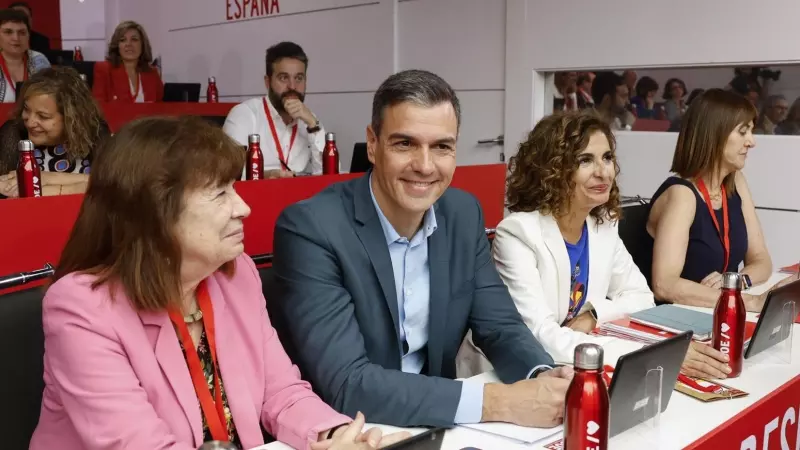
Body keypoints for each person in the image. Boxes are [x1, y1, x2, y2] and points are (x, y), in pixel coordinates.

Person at [29, 116, 406, 450]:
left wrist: (333, 437)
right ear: (156, 212)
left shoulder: (235, 274)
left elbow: (282, 393)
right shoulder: (81, 308)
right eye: (220, 193)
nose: (243, 208)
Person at [270, 69, 571, 429]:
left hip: (438, 422)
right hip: (352, 432)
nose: (425, 166)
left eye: (442, 146)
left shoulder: (461, 213)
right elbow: (347, 384)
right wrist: (500, 402)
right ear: (372, 144)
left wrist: (541, 377)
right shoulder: (311, 228)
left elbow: (500, 326)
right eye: (405, 144)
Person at [492, 110, 733, 380]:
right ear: (551, 170)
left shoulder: (602, 225)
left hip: (577, 363)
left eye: (607, 158)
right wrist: (655, 353)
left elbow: (641, 296)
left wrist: (594, 315)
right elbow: (540, 335)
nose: (603, 171)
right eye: (585, 160)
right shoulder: (518, 234)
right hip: (518, 373)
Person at [644, 89, 773, 312]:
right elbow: (664, 285)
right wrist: (748, 302)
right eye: (743, 132)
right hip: (677, 320)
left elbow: (762, 260)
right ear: (715, 135)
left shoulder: (735, 182)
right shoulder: (681, 194)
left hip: (715, 311)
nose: (751, 142)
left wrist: (736, 282)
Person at [223, 41, 328, 178]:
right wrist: (265, 176)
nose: (292, 86)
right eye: (284, 78)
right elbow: (225, 174)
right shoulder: (244, 114)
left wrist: (313, 125)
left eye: (299, 78)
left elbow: (330, 175)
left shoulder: (308, 119)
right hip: (254, 197)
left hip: (300, 198)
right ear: (268, 82)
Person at [0, 67, 109, 197]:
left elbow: (112, 186)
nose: (30, 122)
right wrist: (84, 183)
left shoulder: (96, 132)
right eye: (27, 109)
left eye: (43, 116)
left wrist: (48, 179)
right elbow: (3, 191)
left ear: (71, 119)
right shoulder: (13, 132)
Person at [93, 21, 163, 103]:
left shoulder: (152, 73)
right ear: (117, 46)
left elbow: (160, 109)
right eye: (123, 40)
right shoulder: (104, 69)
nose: (128, 44)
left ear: (143, 44)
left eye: (134, 39)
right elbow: (98, 108)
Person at [0, 8, 50, 103]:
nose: (16, 38)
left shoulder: (39, 59)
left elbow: (51, 97)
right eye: (8, 32)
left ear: (28, 36)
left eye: (22, 33)